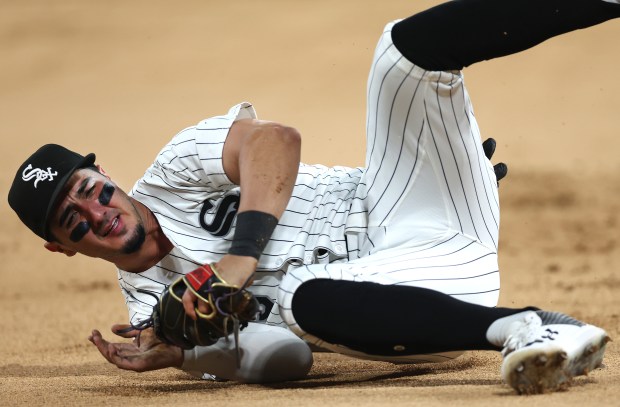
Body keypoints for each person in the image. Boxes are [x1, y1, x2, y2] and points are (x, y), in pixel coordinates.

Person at [8, 0, 617, 394]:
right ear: (60, 248)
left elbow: (275, 142)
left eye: (91, 190)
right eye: (73, 220)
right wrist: (192, 355)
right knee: (299, 296)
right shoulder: (152, 311)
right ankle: (533, 326)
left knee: (400, 53)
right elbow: (288, 361)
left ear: (105, 174)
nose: (97, 213)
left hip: (409, 199)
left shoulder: (174, 170)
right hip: (426, 292)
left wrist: (238, 261)